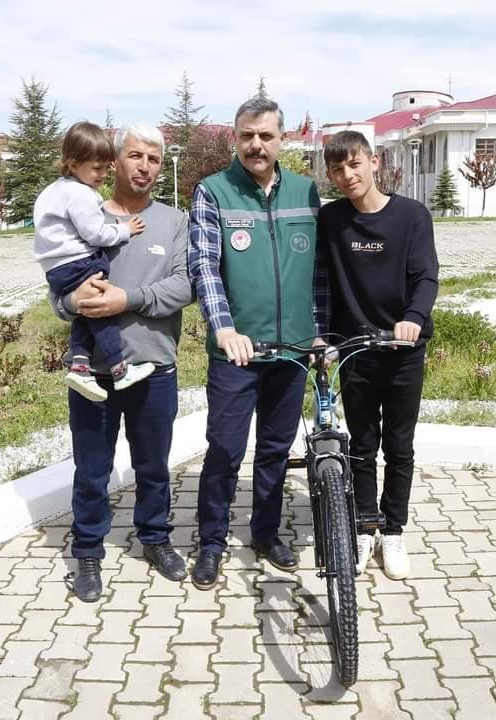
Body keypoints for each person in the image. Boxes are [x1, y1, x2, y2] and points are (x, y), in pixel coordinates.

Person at [50, 123, 193, 602]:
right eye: (136, 156)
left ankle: (154, 538)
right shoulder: (84, 212)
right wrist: (74, 303)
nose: (145, 167)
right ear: (115, 160)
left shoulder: (174, 222)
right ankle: (88, 551)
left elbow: (184, 287)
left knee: (153, 466)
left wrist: (125, 299)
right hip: (92, 373)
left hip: (154, 368)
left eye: (153, 159)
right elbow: (57, 291)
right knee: (92, 468)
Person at [188, 96, 325, 590]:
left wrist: (319, 331)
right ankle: (210, 543)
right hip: (236, 352)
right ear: (235, 137)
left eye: (266, 135)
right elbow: (204, 267)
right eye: (247, 135)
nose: (256, 144)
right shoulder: (214, 192)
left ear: (281, 140)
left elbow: (320, 272)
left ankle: (265, 533)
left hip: (292, 351)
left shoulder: (308, 193)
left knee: (274, 448)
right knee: (224, 449)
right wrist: (225, 329)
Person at [317, 130, 439, 580]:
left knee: (399, 447)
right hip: (356, 350)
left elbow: (427, 276)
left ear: (373, 162)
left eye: (354, 164)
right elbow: (319, 278)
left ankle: (394, 530)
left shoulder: (411, 216)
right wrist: (321, 335)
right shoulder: (331, 220)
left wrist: (412, 317)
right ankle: (364, 526)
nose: (347, 175)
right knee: (362, 447)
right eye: (337, 169)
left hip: (404, 349)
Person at [33, 121, 156, 403]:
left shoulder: (52, 191)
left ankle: (79, 364)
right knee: (101, 307)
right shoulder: (81, 194)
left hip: (55, 268)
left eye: (106, 167)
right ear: (74, 165)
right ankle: (119, 368)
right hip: (77, 261)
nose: (103, 174)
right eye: (97, 168)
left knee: (87, 311)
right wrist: (124, 230)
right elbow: (95, 233)